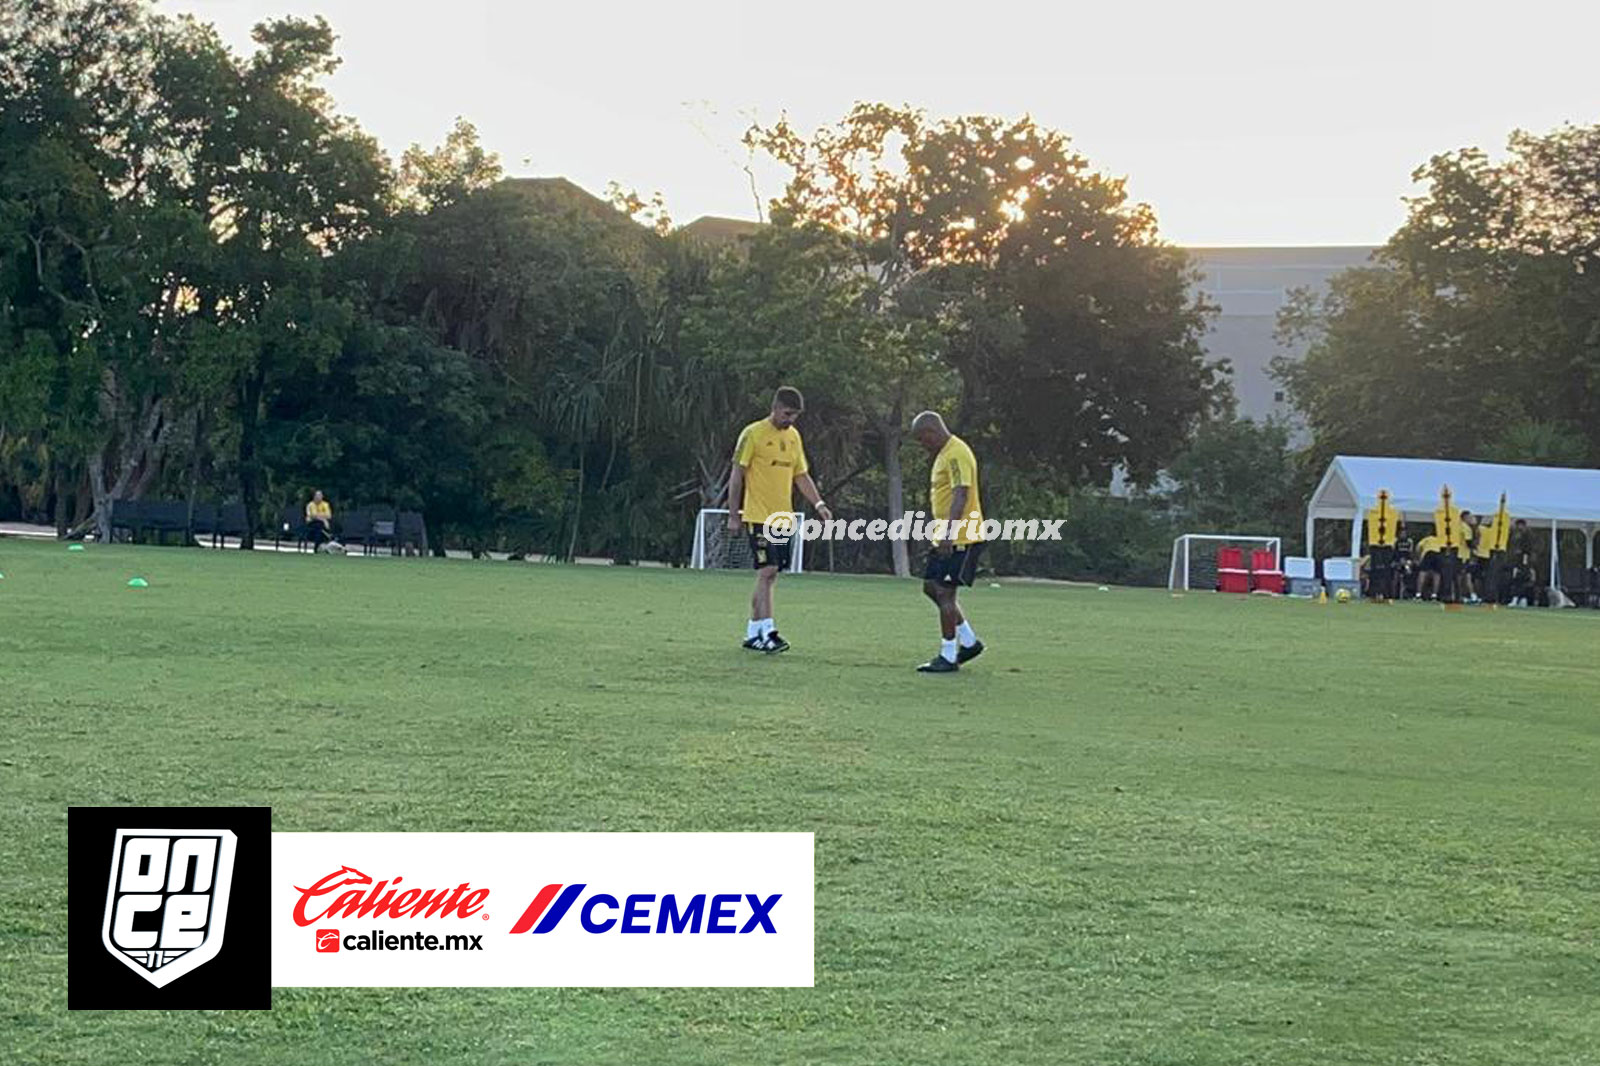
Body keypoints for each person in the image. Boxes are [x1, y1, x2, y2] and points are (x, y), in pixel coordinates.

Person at [726, 387, 832, 653]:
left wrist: (819, 504)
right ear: (775, 407)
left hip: (782, 518)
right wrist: (733, 514)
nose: (790, 420)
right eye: (787, 413)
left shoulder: (794, 437)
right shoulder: (753, 434)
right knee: (767, 571)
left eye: (794, 415)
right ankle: (768, 631)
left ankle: (753, 632)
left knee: (770, 576)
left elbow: (801, 475)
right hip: (757, 516)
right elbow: (737, 476)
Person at [910, 411, 986, 673]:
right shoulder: (944, 454)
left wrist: (949, 534)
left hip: (961, 535)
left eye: (923, 439)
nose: (923, 445)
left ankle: (948, 655)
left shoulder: (956, 453)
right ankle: (968, 641)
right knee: (931, 587)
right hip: (945, 533)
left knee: (945, 593)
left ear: (932, 431)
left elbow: (960, 494)